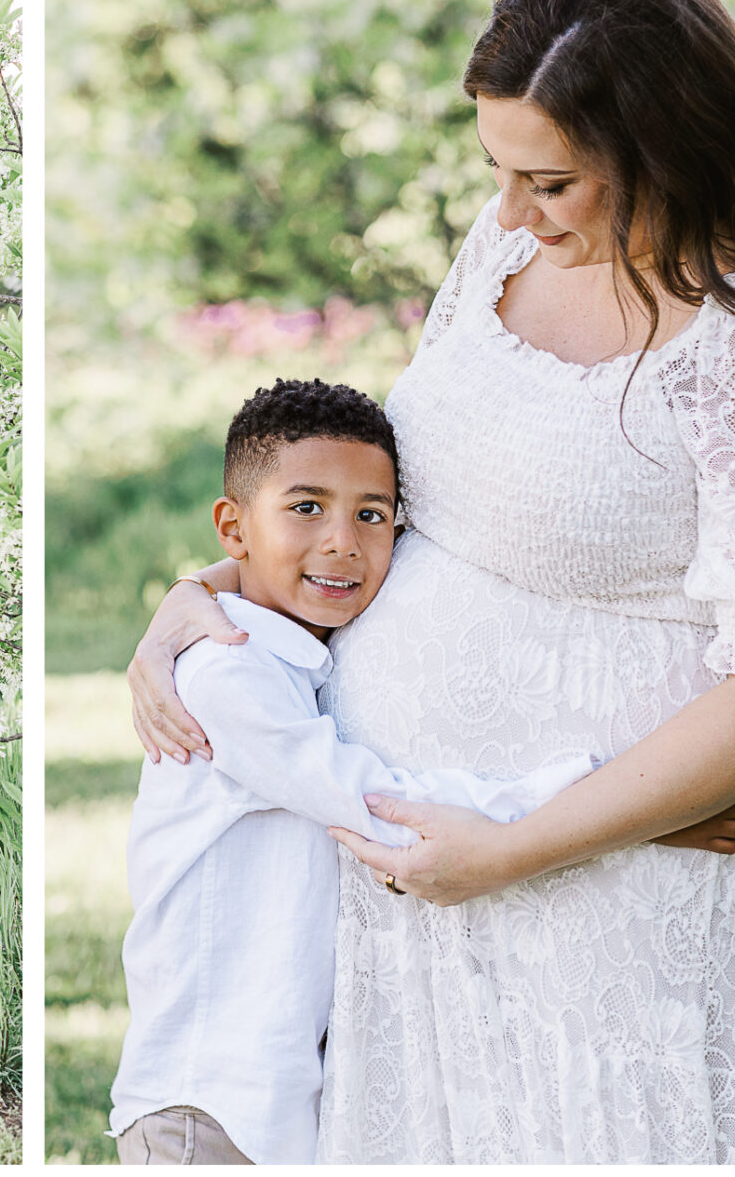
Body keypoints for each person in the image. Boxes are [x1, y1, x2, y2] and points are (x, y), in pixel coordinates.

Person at [127, 0, 735, 1162]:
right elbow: (407, 498)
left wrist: (520, 842)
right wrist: (212, 592)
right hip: (437, 877)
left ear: (666, 149)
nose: (510, 214)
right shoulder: (507, 254)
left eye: (550, 181)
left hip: (632, 891)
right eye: (498, 172)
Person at [109, 379, 593, 1166]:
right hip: (208, 1102)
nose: (343, 541)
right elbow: (380, 802)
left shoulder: (298, 655)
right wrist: (599, 799)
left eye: (372, 514)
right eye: (306, 508)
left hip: (276, 1097)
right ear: (232, 526)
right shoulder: (227, 678)